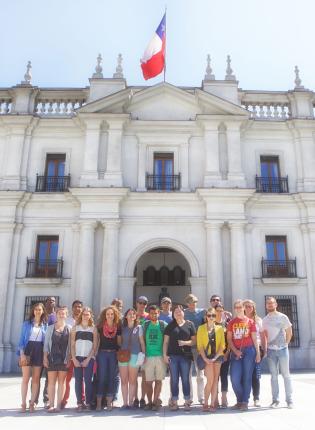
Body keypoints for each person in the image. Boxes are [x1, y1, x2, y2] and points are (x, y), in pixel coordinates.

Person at [227, 299, 260, 411]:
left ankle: (244, 401)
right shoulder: (231, 322)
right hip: (236, 351)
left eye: (240, 307)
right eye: (236, 307)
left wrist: (258, 353)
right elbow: (229, 340)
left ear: (244, 308)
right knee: (234, 378)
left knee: (247, 376)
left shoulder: (250, 322)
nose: (238, 309)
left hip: (249, 351)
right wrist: (235, 351)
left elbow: (255, 339)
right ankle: (240, 399)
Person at [163, 304, 196, 411]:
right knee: (174, 380)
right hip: (173, 356)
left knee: (186, 379)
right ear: (173, 314)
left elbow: (194, 341)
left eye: (179, 311)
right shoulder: (170, 326)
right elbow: (166, 342)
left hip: (185, 357)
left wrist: (185, 342)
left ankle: (187, 401)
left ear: (183, 312)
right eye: (175, 311)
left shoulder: (190, 325)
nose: (178, 312)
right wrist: (165, 355)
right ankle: (175, 401)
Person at [262, 296, 293, 409]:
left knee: (286, 375)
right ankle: (275, 400)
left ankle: (289, 400)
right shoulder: (264, 320)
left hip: (283, 350)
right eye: (268, 303)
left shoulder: (282, 317)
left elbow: (289, 331)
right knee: (273, 376)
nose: (270, 305)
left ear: (276, 305)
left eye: (272, 303)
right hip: (271, 351)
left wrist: (286, 343)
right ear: (266, 306)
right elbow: (264, 335)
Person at [17, 302, 48, 412]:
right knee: (25, 379)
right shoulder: (26, 324)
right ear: (33, 311)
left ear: (43, 311)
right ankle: (23, 403)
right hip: (27, 350)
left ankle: (32, 402)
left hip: (39, 351)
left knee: (36, 379)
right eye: (36, 309)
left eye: (39, 309)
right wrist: (21, 354)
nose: (37, 311)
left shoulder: (45, 325)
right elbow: (21, 340)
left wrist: (45, 355)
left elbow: (46, 342)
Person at [197, 307, 225, 412]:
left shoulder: (220, 328)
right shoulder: (201, 328)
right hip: (207, 358)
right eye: (209, 315)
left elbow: (222, 345)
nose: (211, 317)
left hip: (217, 357)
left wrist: (215, 357)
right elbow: (199, 346)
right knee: (210, 380)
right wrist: (205, 358)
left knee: (215, 381)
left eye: (213, 315)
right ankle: (205, 403)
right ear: (206, 317)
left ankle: (213, 403)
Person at [43, 306, 71, 412]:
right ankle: (51, 404)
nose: (61, 315)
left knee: (61, 382)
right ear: (56, 314)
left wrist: (70, 358)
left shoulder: (69, 328)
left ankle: (58, 405)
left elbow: (71, 346)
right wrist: (45, 357)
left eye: (63, 313)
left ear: (66, 315)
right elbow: (46, 344)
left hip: (64, 358)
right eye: (59, 313)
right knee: (51, 382)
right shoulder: (50, 328)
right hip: (52, 358)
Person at [71, 307, 98, 411]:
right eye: (84, 314)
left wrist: (88, 359)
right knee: (78, 380)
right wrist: (74, 358)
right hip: (77, 356)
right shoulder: (75, 328)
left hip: (89, 358)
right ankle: (79, 403)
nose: (86, 316)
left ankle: (88, 402)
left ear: (90, 315)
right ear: (81, 315)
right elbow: (72, 345)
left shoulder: (93, 329)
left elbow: (94, 346)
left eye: (88, 314)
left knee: (88, 380)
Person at [118, 308, 145, 409]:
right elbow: (119, 342)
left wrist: (143, 355)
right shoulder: (122, 328)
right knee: (124, 380)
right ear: (126, 316)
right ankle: (125, 403)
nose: (132, 315)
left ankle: (130, 402)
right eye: (129, 314)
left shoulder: (139, 328)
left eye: (134, 314)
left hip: (135, 355)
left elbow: (142, 342)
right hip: (123, 356)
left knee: (132, 380)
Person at [96, 305, 121, 411]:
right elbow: (97, 342)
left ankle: (109, 403)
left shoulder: (118, 327)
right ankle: (98, 403)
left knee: (112, 377)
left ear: (114, 315)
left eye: (112, 314)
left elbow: (119, 342)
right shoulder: (100, 327)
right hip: (102, 354)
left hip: (113, 354)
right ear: (104, 315)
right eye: (108, 314)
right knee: (101, 377)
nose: (110, 316)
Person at [143, 305, 167, 411]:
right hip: (148, 356)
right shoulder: (145, 325)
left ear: (159, 313)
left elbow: (168, 340)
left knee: (158, 381)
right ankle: (149, 402)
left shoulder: (163, 325)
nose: (154, 315)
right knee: (148, 382)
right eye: (152, 313)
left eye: (156, 313)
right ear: (149, 314)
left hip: (160, 357)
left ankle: (155, 401)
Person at [184, 293, 206, 404]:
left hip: (199, 347)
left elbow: (213, 315)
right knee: (187, 374)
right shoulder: (183, 313)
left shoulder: (202, 312)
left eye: (194, 303)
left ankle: (201, 397)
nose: (193, 304)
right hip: (187, 347)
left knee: (200, 373)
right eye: (191, 303)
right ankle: (189, 397)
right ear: (187, 303)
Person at [62, 299, 84, 408]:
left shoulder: (85, 321)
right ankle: (63, 400)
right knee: (67, 379)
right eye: (75, 306)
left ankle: (81, 401)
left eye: (79, 306)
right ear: (72, 308)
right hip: (69, 354)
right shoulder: (67, 321)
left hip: (81, 354)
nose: (77, 308)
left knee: (81, 379)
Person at [243, 299, 265, 407]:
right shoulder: (240, 320)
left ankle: (256, 398)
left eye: (250, 306)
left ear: (253, 308)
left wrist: (264, 350)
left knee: (255, 375)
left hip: (256, 349)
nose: (248, 308)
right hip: (244, 349)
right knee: (244, 374)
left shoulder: (258, 320)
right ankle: (243, 398)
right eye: (246, 306)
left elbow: (262, 335)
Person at [214, 302, 231, 408]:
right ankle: (215, 398)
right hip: (214, 355)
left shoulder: (227, 324)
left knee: (224, 376)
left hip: (225, 354)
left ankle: (224, 397)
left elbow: (229, 340)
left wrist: (227, 353)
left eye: (221, 311)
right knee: (215, 377)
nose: (219, 313)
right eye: (217, 311)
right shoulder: (211, 322)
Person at [134, 295, 149, 408]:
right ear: (136, 303)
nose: (142, 305)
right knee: (134, 376)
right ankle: (135, 398)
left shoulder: (149, 317)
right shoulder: (131, 316)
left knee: (144, 376)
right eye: (140, 302)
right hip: (134, 349)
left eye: (144, 303)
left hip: (146, 349)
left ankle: (143, 398)